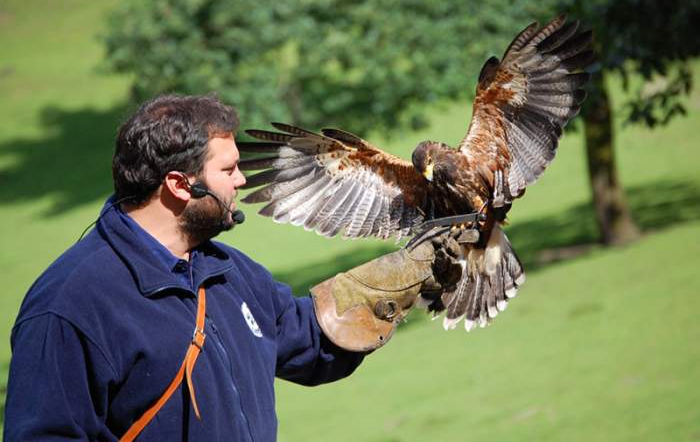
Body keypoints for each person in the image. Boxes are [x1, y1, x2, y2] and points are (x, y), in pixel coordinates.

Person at [4, 94, 457, 441]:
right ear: (180, 185)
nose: (241, 180)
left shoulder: (226, 270)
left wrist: (411, 271)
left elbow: (311, 340)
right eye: (230, 169)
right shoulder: (70, 305)